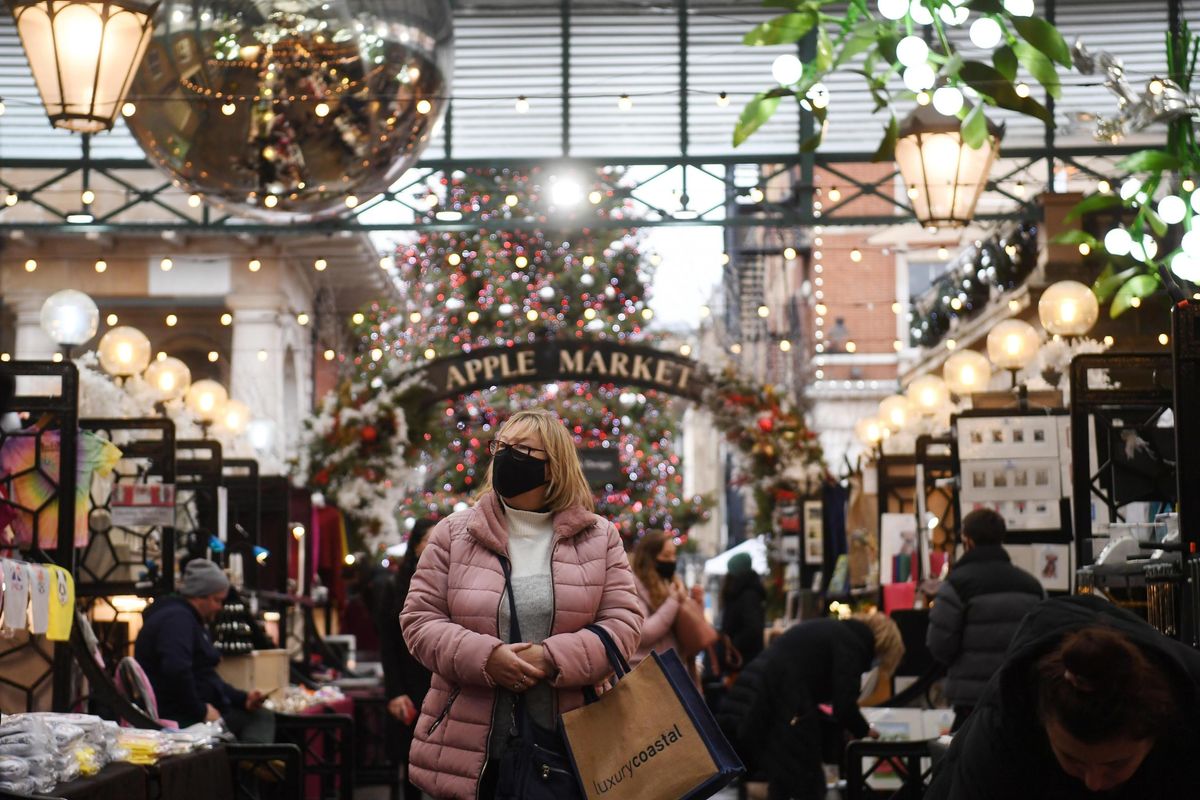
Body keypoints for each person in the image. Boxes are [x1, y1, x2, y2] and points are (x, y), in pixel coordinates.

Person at [401, 408, 644, 800]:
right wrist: (487, 658)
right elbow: (419, 620)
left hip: (569, 751)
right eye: (502, 446)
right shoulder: (452, 534)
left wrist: (552, 659)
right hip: (470, 752)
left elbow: (624, 625)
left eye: (523, 450)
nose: (505, 456)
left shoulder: (600, 538)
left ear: (554, 467)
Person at [926, 595, 1200, 799]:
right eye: (1073, 759)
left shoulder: (1187, 717)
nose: (1094, 782)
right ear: (1042, 723)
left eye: (1117, 763)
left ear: (1159, 732)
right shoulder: (1002, 730)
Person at [717, 612, 905, 800]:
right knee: (805, 782)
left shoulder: (834, 630)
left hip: (755, 694)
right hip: (782, 701)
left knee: (783, 778)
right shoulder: (852, 644)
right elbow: (844, 705)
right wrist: (867, 730)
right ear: (884, 645)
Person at [926, 507, 1044, 730]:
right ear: (1002, 538)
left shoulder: (956, 586)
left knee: (970, 763)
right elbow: (1041, 641)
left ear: (967, 540)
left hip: (971, 703)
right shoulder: (1032, 586)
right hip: (1020, 697)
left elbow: (939, 645)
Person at [134, 559, 271, 740]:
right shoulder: (177, 620)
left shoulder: (184, 618)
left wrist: (242, 698)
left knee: (260, 715)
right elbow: (176, 672)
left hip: (192, 711)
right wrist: (201, 711)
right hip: (179, 719)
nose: (219, 607)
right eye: (217, 600)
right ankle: (249, 764)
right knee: (262, 718)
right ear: (199, 595)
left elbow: (205, 676)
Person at [377, 518, 436, 799]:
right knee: (411, 769)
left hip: (443, 687)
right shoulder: (395, 588)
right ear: (415, 547)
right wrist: (395, 692)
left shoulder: (456, 582)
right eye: (429, 540)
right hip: (409, 688)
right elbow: (387, 645)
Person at [628, 529, 688, 666]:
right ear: (650, 557)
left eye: (674, 555)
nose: (672, 561)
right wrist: (672, 601)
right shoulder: (633, 585)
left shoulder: (670, 583)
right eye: (666, 556)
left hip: (669, 667)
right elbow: (644, 633)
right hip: (645, 670)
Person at [720, 552, 766, 666]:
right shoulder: (746, 592)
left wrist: (734, 644)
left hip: (744, 659)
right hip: (745, 658)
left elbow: (753, 627)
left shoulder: (746, 595)